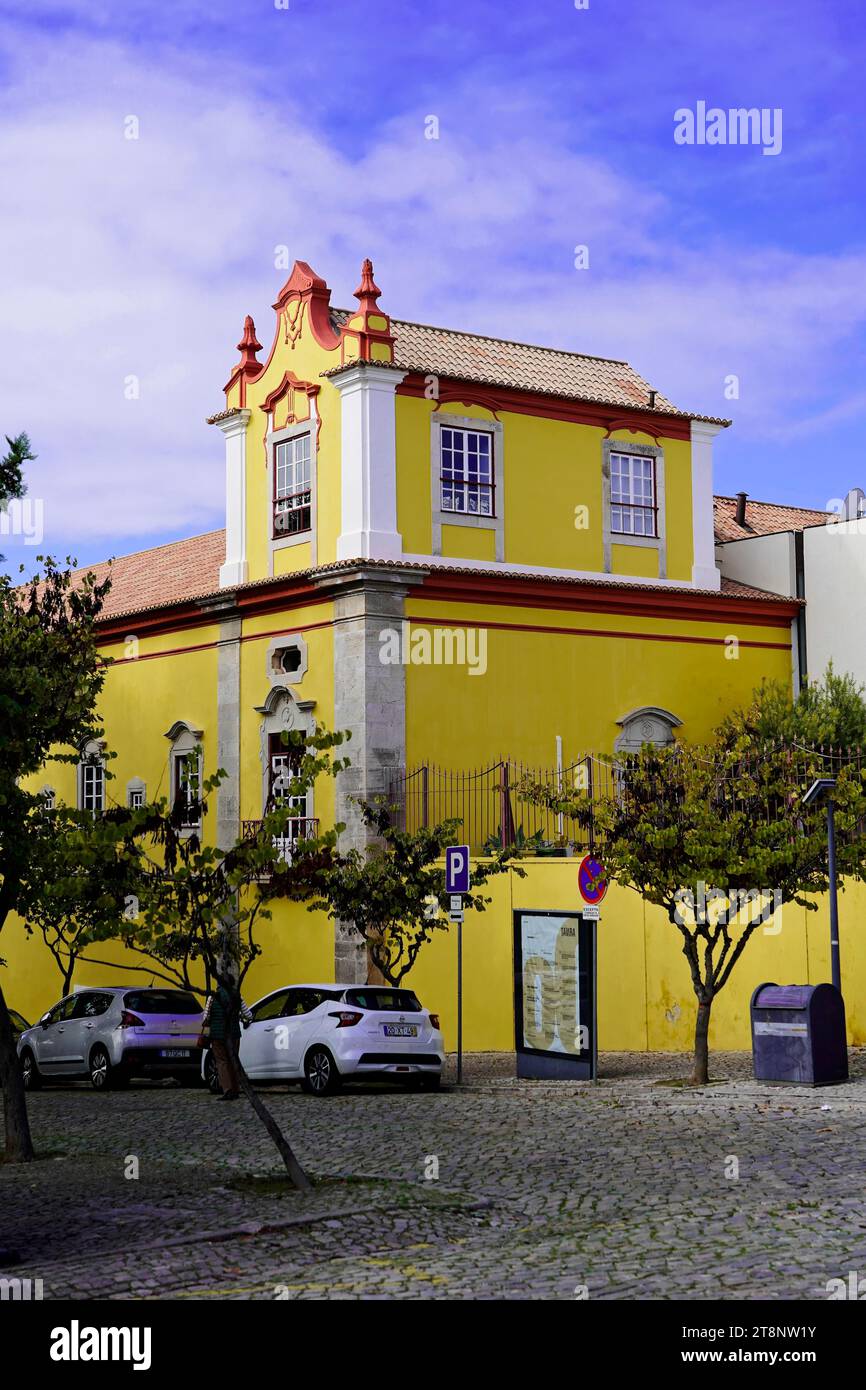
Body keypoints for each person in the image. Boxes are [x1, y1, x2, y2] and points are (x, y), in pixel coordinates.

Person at [208, 981, 246, 1100]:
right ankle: (236, 1089)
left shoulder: (212, 997)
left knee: (222, 1062)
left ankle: (227, 1090)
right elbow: (248, 1015)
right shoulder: (237, 996)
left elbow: (206, 1017)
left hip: (217, 1035)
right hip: (234, 1034)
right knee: (233, 1060)